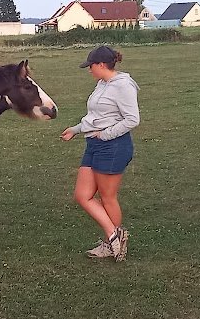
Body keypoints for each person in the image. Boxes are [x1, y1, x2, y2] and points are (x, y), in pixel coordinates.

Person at [60, 45, 140, 261]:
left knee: (107, 198)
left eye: (91, 66)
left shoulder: (123, 86)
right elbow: (95, 116)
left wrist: (104, 135)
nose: (89, 70)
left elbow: (132, 119)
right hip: (93, 144)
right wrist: (76, 130)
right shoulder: (101, 84)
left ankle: (111, 242)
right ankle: (115, 237)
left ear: (102, 65)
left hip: (113, 146)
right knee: (82, 195)